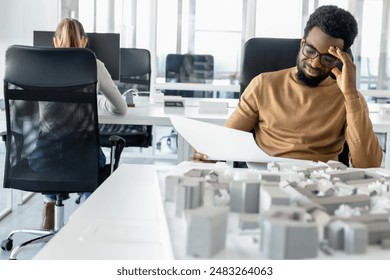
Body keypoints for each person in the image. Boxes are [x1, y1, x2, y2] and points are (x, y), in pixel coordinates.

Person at [193, 5, 383, 168]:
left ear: (341, 59)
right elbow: (227, 141)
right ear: (302, 43)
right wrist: (209, 153)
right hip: (266, 179)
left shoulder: (348, 97)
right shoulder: (263, 84)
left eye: (327, 58)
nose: (315, 64)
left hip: (321, 186)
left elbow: (369, 165)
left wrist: (350, 95)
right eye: (310, 50)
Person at [35, 18, 127, 230]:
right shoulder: (94, 64)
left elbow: (24, 109)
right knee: (89, 162)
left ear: (55, 41)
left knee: (50, 144)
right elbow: (120, 108)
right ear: (84, 42)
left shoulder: (38, 64)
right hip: (84, 159)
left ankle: (48, 205)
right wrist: (96, 100)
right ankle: (89, 212)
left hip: (43, 161)